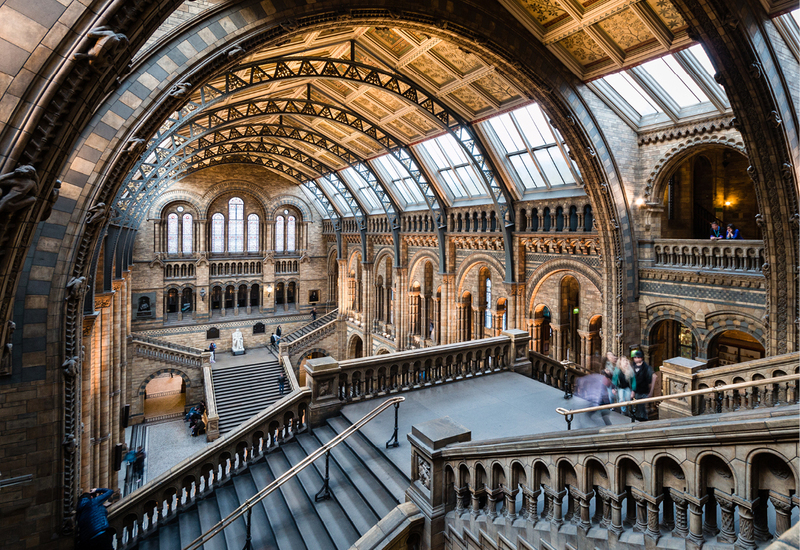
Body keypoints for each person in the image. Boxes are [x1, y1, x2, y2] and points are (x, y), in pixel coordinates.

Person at [631, 350, 656, 421]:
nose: (635, 359)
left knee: (642, 407)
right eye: (634, 357)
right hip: (635, 391)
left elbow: (651, 379)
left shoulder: (647, 368)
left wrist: (651, 392)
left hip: (643, 391)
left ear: (641, 358)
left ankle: (643, 420)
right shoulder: (632, 366)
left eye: (637, 357)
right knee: (636, 408)